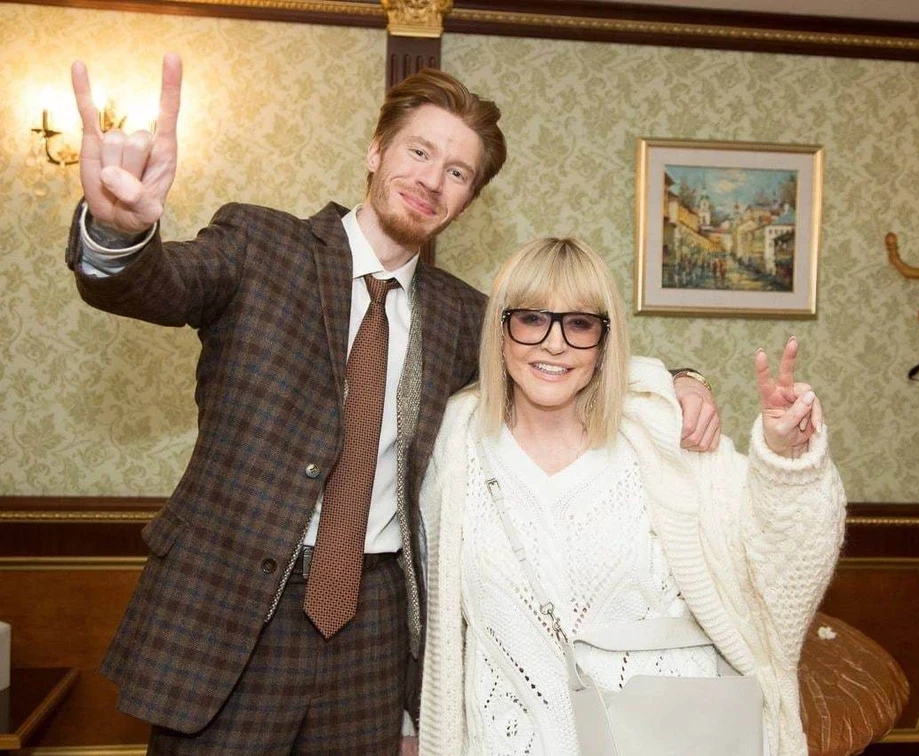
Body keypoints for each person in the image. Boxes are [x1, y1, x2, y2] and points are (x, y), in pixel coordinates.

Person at [64, 56, 721, 753]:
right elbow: (155, 284)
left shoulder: (464, 315)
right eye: (419, 152)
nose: (432, 180)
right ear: (376, 151)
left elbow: (562, 352)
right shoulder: (261, 246)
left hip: (374, 628)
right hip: (231, 617)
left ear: (467, 201)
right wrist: (119, 233)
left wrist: (679, 378)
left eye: (458, 172)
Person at [418, 238, 846, 755]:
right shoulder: (453, 445)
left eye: (579, 324)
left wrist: (785, 459)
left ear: (604, 342)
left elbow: (779, 567)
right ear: (500, 331)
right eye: (531, 319)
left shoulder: (663, 436)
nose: (554, 344)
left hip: (671, 738)